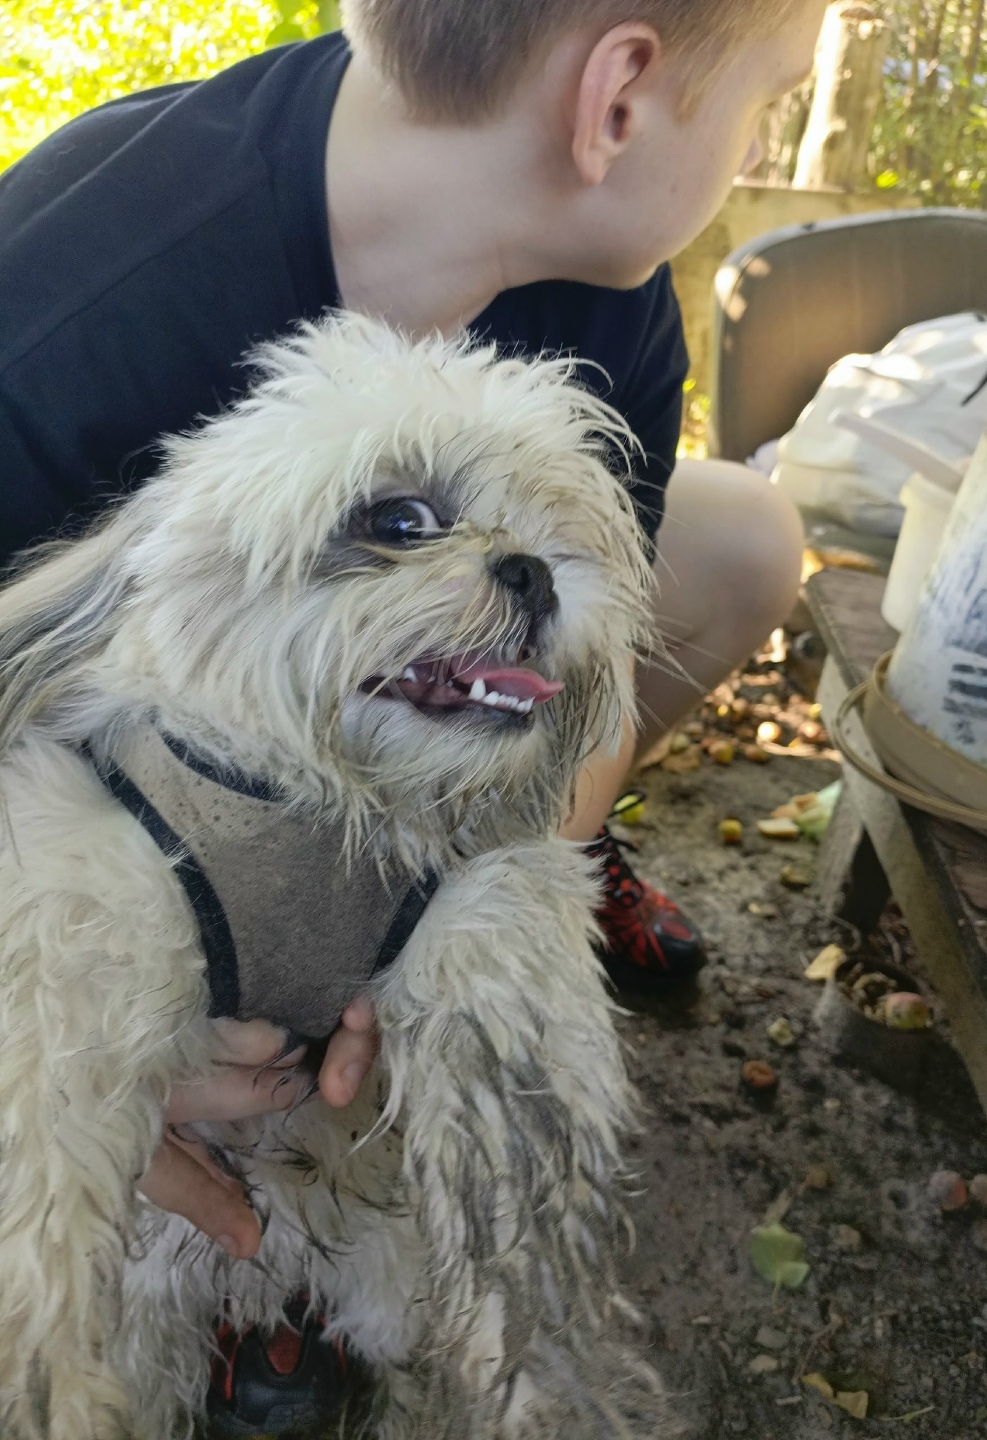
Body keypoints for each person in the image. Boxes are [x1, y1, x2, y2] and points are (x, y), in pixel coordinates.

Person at [0, 0, 821, 1424]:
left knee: (747, 536)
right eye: (767, 103)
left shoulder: (613, 296)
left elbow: (584, 659)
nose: (754, 148)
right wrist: (82, 1063)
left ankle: (526, 872)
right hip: (113, 745)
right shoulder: (76, 290)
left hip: (414, 725)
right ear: (617, 97)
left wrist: (458, 911)